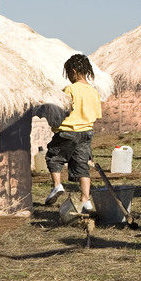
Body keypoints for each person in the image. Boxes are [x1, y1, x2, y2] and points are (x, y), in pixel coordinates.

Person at [43, 54, 102, 211]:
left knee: (54, 157)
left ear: (74, 71)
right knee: (82, 165)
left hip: (69, 131)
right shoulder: (93, 91)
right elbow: (97, 114)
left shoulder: (69, 89)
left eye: (68, 73)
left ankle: (57, 186)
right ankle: (86, 200)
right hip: (86, 132)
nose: (68, 77)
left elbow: (62, 110)